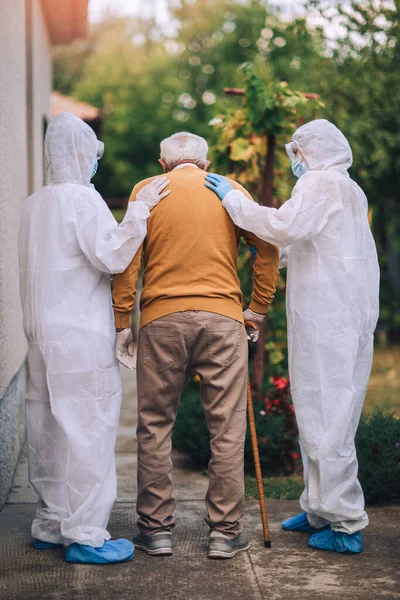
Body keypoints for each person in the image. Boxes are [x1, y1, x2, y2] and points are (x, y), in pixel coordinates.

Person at [205, 119, 380, 555]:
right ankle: (319, 507)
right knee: (316, 408)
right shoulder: (344, 188)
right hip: (332, 314)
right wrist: (265, 251)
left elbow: (287, 227)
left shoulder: (323, 183)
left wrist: (235, 205)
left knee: (330, 416)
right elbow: (305, 242)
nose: (295, 160)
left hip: (331, 317)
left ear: (314, 150)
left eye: (298, 151)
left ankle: (344, 523)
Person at [113, 132, 279, 559]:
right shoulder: (232, 191)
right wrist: (257, 307)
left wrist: (121, 321)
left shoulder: (146, 190)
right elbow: (267, 245)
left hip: (161, 320)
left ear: (163, 163)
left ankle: (156, 531)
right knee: (226, 428)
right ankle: (225, 533)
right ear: (205, 164)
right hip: (223, 320)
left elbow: (127, 259)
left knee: (154, 425)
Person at [18, 112, 170, 565]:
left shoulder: (32, 203)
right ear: (82, 153)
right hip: (80, 332)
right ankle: (85, 533)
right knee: (89, 427)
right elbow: (111, 255)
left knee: (47, 424)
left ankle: (50, 520)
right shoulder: (83, 200)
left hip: (40, 331)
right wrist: (140, 210)